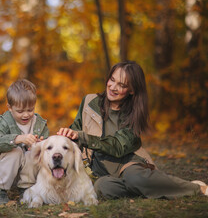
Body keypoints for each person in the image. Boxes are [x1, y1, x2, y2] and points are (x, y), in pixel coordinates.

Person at [58, 60, 208, 199]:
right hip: (102, 171)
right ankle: (145, 187)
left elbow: (117, 146)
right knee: (102, 188)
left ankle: (196, 188)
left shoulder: (134, 114)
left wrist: (83, 137)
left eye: (122, 85)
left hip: (128, 166)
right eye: (112, 80)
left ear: (131, 90)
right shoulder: (90, 102)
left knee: (135, 178)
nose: (113, 87)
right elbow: (75, 131)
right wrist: (67, 136)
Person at [0, 79, 49, 204]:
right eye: (20, 111)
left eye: (30, 110)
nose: (26, 115)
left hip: (27, 172)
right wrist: (17, 139)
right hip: (4, 169)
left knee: (32, 154)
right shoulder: (5, 121)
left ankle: (26, 189)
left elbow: (46, 145)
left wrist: (40, 146)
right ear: (10, 108)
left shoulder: (40, 123)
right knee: (15, 151)